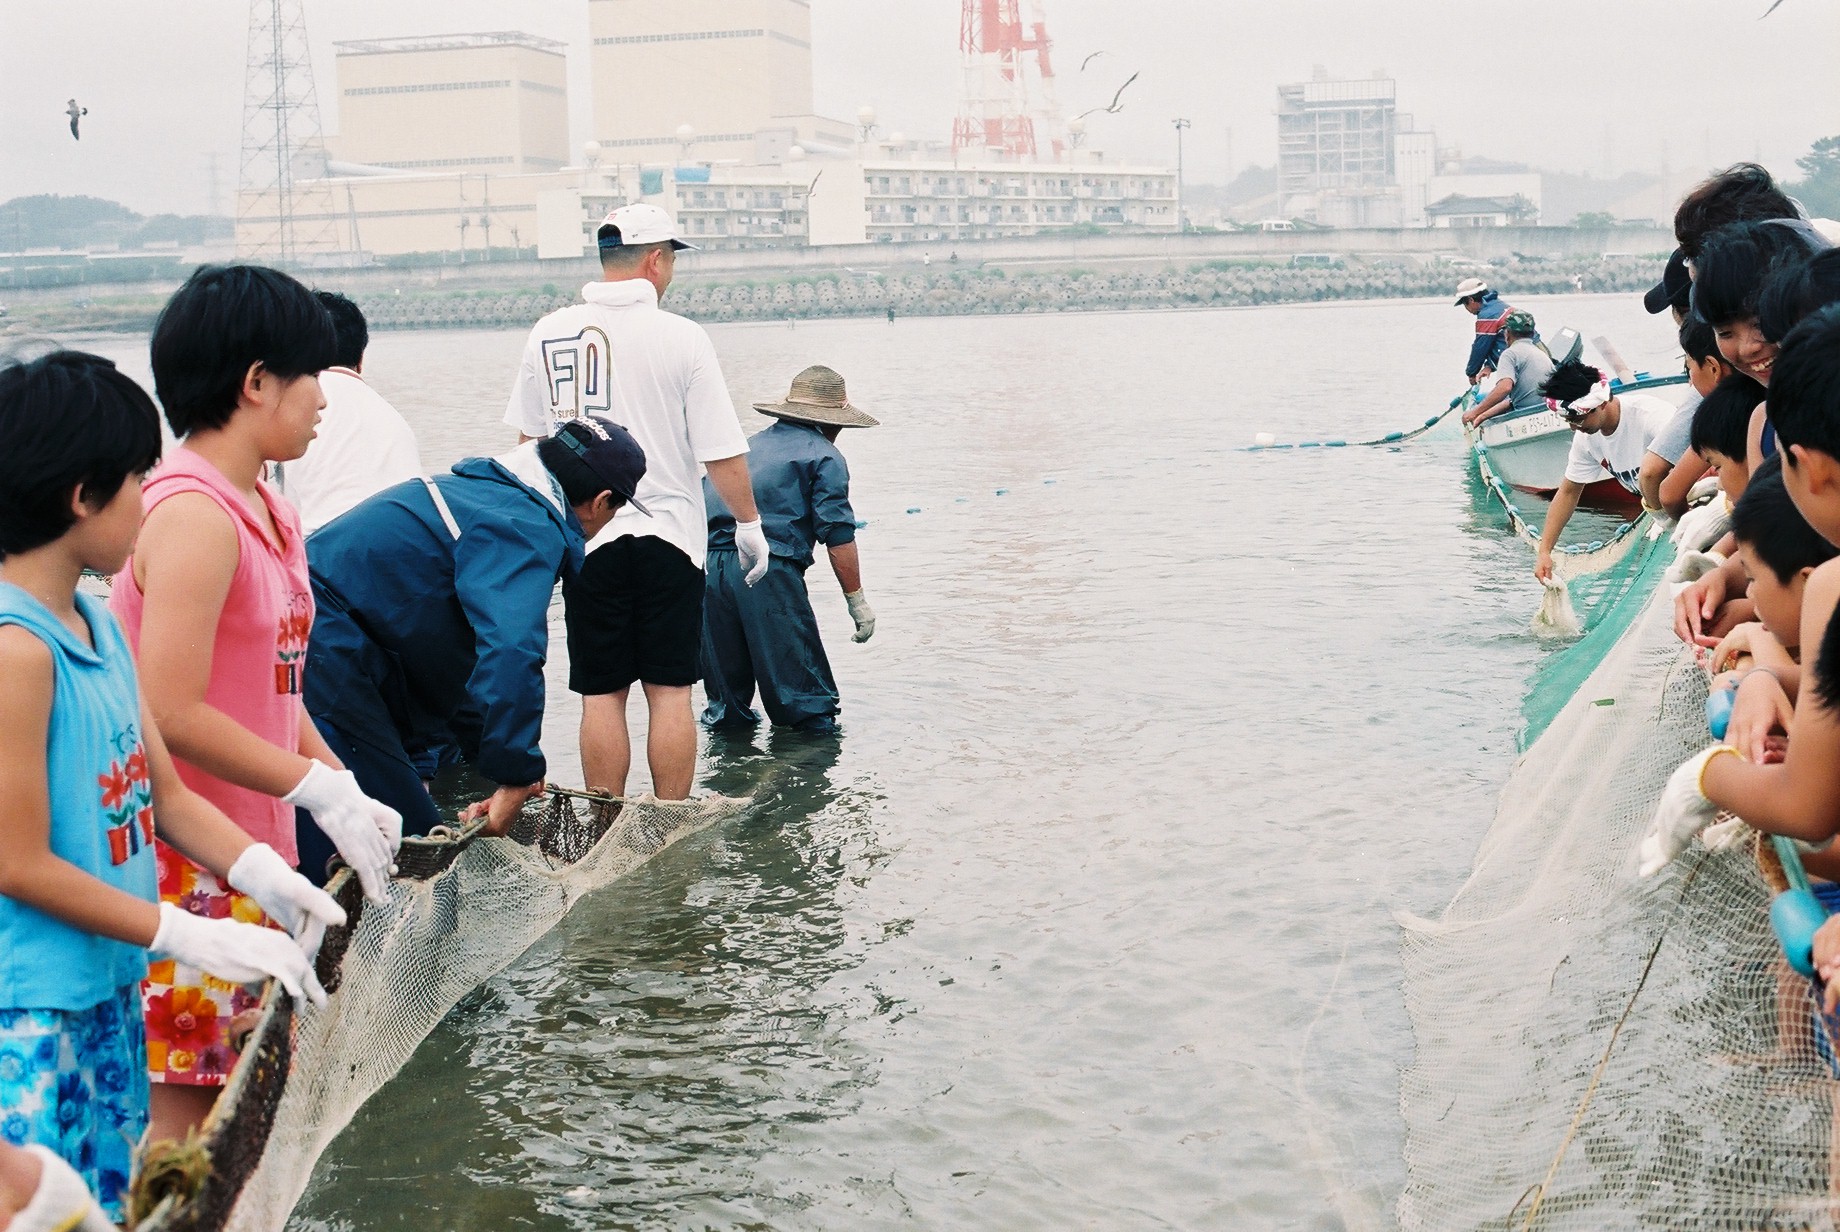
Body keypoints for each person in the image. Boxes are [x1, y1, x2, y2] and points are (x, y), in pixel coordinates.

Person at [0, 352, 336, 1222]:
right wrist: (181, 930)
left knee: (121, 1200)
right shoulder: (16, 652)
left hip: (111, 986)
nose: (151, 499)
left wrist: (266, 872)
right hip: (31, 1010)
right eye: (136, 481)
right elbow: (16, 861)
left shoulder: (99, 627)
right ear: (81, 497)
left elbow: (171, 800)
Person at [107, 265, 400, 1143]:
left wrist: (341, 780)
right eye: (311, 375)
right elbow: (172, 711)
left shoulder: (271, 506)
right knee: (192, 1118)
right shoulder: (193, 513)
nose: (324, 399)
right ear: (257, 383)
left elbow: (280, 681)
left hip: (255, 850)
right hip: (190, 857)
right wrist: (315, 789)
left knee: (247, 1102)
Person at [503, 203, 766, 801]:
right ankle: (668, 820)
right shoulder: (682, 336)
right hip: (670, 534)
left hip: (586, 534)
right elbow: (721, 449)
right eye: (670, 258)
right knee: (670, 689)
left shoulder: (548, 331)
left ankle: (603, 818)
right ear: (655, 260)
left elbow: (526, 447)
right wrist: (749, 524)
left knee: (602, 692)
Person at [301, 418, 643, 849]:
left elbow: (460, 654)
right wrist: (515, 775)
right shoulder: (525, 526)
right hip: (325, 641)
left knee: (382, 814)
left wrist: (495, 758)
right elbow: (512, 650)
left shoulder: (484, 492)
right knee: (406, 837)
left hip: (331, 625)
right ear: (602, 501)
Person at [1641, 308, 1840, 882]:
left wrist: (1706, 779)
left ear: (1807, 465)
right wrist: (1765, 676)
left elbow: (1807, 807)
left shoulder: (1831, 587)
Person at [700, 366, 878, 733]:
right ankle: (809, 777)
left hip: (708, 570)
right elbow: (839, 534)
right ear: (834, 422)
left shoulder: (747, 446)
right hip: (767, 567)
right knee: (806, 705)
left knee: (725, 708)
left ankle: (730, 777)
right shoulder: (825, 456)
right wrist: (856, 601)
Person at [271, 291, 423, 535]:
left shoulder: (283, 411)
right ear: (361, 359)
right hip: (406, 551)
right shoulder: (393, 419)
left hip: (319, 556)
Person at [1531, 359, 1677, 582]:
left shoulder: (1652, 417)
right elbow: (1568, 492)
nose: (1573, 427)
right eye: (1567, 420)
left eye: (1577, 418)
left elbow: (1701, 459)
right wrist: (1544, 551)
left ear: (1601, 402)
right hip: (1661, 513)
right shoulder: (1586, 439)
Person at [1641, 313, 1737, 521]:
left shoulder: (1715, 416)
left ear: (1714, 368)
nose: (1690, 382)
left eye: (1689, 368)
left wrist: (1682, 519)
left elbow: (1668, 493)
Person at [1462, 310, 1550, 427]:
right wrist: (1482, 415)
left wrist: (1474, 413)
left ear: (1507, 334)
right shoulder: (1542, 354)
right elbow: (1512, 401)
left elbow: (1504, 388)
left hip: (1525, 415)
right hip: (1544, 409)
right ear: (1533, 333)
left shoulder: (1510, 354)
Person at [1453, 278, 1512, 386]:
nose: (1467, 309)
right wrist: (1489, 366)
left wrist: (1471, 372)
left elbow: (1481, 346)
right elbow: (1501, 341)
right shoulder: (1499, 305)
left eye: (1465, 305)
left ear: (1471, 300)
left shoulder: (1487, 315)